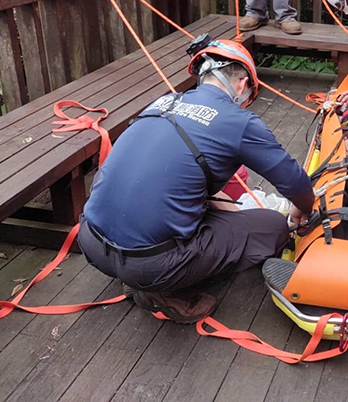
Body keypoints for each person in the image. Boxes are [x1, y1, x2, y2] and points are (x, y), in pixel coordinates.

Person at [78, 38, 314, 324]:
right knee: (271, 227)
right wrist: (304, 208)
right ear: (242, 84)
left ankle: (137, 273)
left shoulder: (162, 102)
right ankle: (162, 292)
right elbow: (295, 182)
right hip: (149, 265)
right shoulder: (237, 121)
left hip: (90, 240)